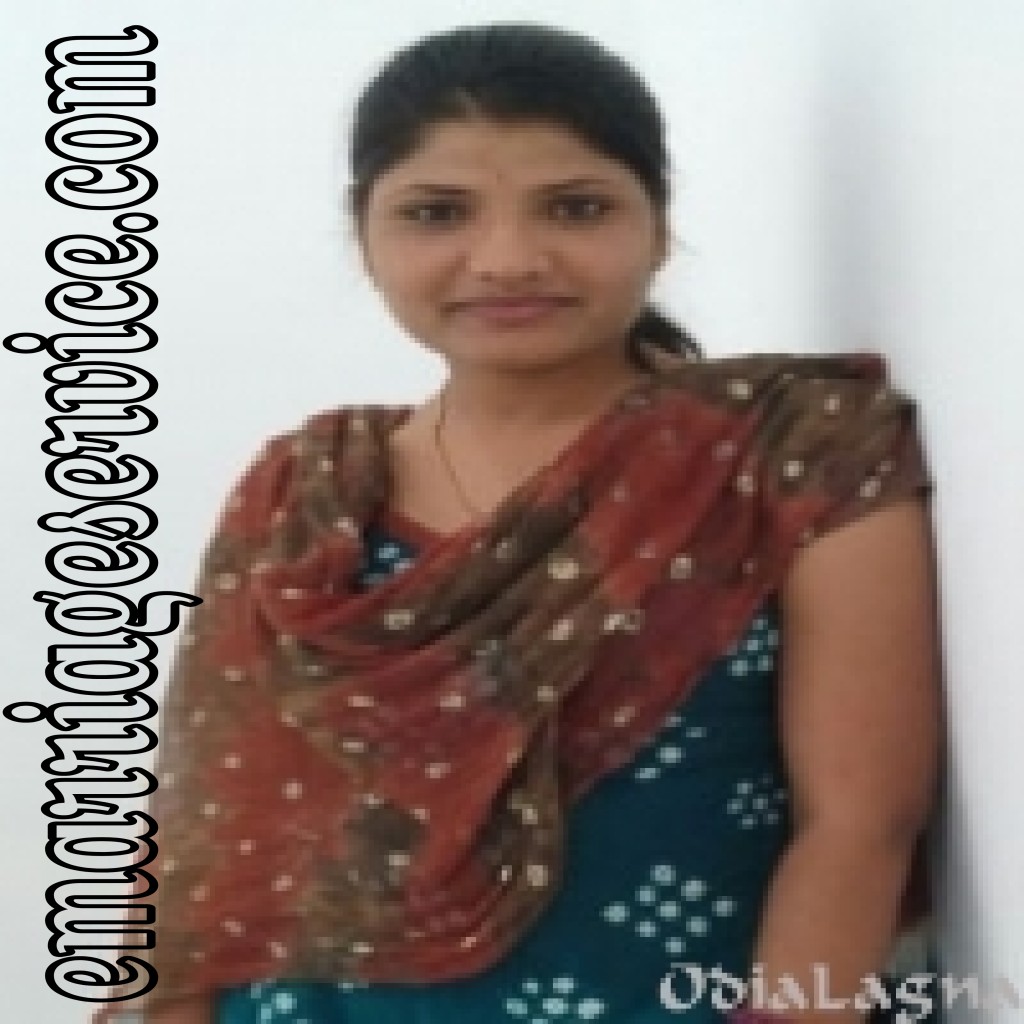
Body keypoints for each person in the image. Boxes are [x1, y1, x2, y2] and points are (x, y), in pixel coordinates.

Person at [93, 21, 942, 1024]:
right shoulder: (308, 492)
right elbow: (210, 821)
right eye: (436, 212)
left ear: (659, 225)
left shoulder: (790, 451)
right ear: (365, 238)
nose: (506, 258)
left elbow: (861, 823)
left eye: (576, 207)